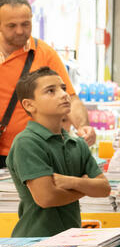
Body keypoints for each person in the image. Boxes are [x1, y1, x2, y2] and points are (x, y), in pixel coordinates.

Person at [8, 67, 110, 237]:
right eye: (50, 91)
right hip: (35, 243)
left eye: (63, 88)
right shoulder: (27, 142)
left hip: (71, 240)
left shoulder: (77, 143)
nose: (63, 94)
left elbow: (104, 189)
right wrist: (86, 186)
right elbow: (47, 198)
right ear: (29, 104)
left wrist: (70, 182)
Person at [0, 0, 95, 167]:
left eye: (25, 24)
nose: (20, 31)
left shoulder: (44, 53)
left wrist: (83, 126)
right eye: (12, 26)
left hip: (34, 150)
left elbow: (70, 97)